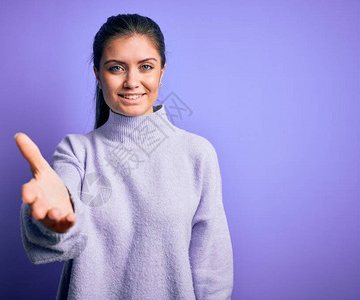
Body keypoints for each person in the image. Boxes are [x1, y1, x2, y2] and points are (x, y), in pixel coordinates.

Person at [15, 13, 233, 300]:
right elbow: (63, 230)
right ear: (97, 75)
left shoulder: (197, 154)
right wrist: (55, 221)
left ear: (162, 72)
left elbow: (212, 267)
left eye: (145, 67)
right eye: (116, 68)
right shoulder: (76, 151)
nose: (132, 81)